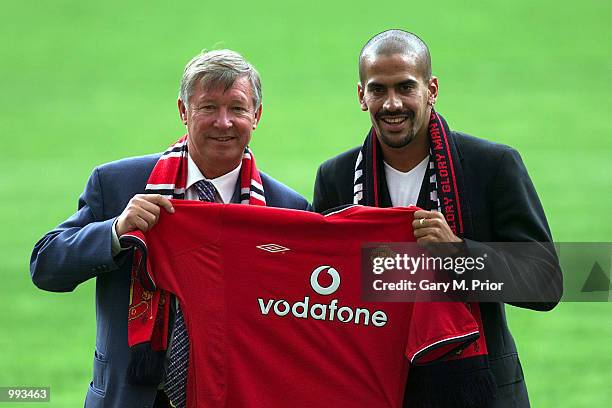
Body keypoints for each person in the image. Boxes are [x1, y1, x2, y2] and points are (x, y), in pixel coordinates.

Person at [30, 49, 310, 408]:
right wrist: (115, 231)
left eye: (237, 109)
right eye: (208, 107)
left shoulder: (286, 209)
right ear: (183, 111)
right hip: (132, 397)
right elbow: (45, 267)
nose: (223, 122)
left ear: (256, 116)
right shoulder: (119, 184)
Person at [313, 30, 562, 407]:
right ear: (361, 96)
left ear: (431, 89)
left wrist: (458, 253)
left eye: (405, 87)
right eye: (378, 90)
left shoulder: (491, 166)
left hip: (480, 391)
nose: (392, 103)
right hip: (376, 389)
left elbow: (546, 282)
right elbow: (321, 290)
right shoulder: (336, 176)